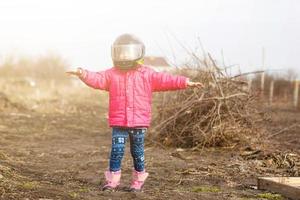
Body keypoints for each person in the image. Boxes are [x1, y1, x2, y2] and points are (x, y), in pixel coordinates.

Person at [66, 33, 203, 192]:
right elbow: (97, 78)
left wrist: (186, 82)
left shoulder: (148, 74)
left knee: (137, 152)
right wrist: (83, 73)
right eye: (121, 52)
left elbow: (166, 79)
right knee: (116, 152)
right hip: (119, 122)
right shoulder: (112, 74)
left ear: (138, 53)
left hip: (139, 122)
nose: (124, 56)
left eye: (128, 52)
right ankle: (112, 182)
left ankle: (138, 181)